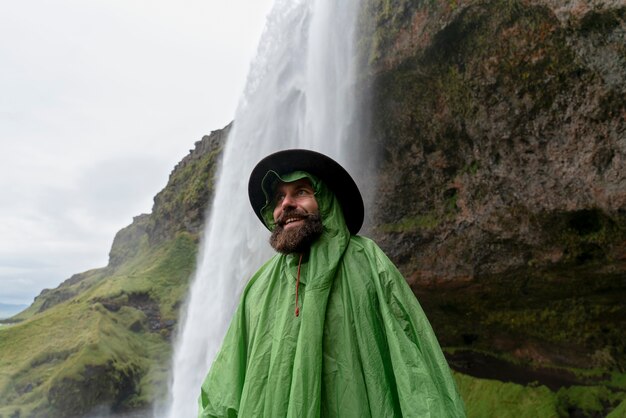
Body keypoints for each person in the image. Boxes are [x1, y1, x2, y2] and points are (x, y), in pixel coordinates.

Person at [198, 149, 465, 417]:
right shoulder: (258, 288)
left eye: (301, 192)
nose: (286, 204)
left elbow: (413, 364)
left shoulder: (369, 262)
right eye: (279, 197)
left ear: (326, 200)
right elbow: (224, 390)